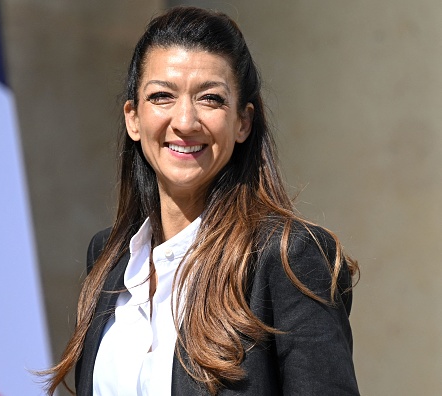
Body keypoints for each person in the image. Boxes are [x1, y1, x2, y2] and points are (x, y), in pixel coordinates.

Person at [43, 6, 359, 395]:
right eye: (162, 96)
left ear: (242, 122)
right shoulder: (109, 258)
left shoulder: (287, 258)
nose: (185, 121)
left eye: (210, 99)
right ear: (133, 118)